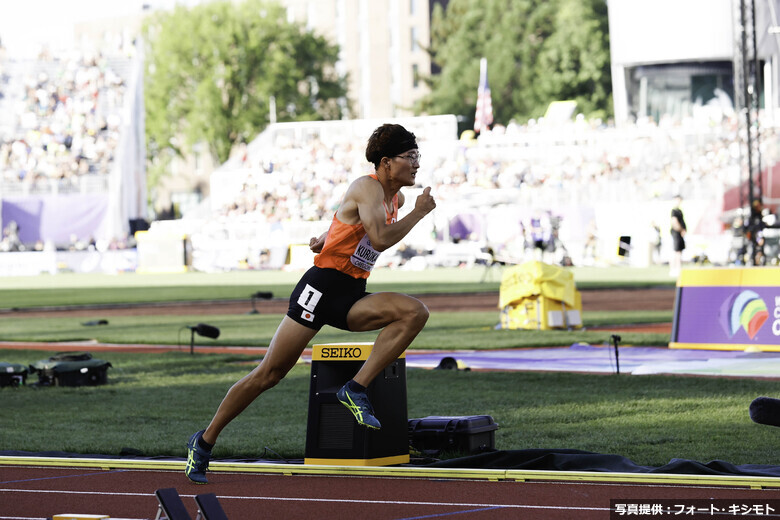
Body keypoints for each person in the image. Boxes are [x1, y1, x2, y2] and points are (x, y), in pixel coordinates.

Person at [185, 124, 436, 484]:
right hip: (319, 290)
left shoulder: (393, 198)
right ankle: (204, 441)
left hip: (350, 292)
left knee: (414, 312)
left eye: (417, 156)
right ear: (386, 162)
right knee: (268, 374)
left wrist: (327, 237)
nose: (416, 164)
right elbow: (379, 238)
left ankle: (356, 388)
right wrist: (419, 213)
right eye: (410, 157)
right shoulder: (368, 186)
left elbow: (350, 223)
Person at [669, 195, 686, 276]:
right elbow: (674, 222)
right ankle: (675, 269)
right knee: (676, 252)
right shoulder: (674, 211)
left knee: (678, 252)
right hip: (676, 234)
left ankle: (677, 268)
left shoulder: (679, 210)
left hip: (679, 234)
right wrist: (681, 230)